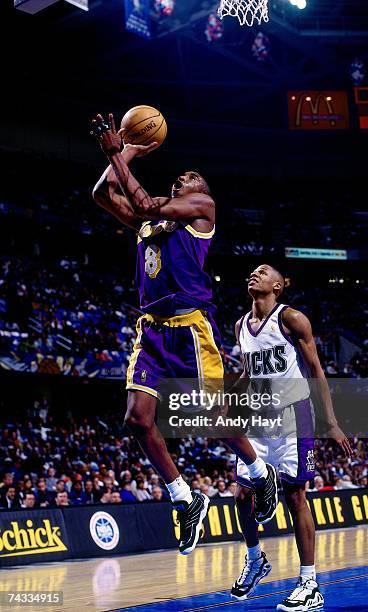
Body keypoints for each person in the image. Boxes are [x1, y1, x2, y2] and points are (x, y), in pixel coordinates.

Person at [91, 113, 277, 555]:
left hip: (190, 328)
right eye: (181, 176)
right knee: (136, 420)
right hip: (151, 330)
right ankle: (184, 497)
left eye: (193, 177)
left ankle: (258, 469)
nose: (185, 177)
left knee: (209, 418)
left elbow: (147, 204)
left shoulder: (203, 211)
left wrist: (120, 153)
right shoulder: (149, 219)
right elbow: (103, 194)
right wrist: (131, 148)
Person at [230, 264, 352, 610]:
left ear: (278, 286)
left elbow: (315, 370)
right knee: (241, 495)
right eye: (252, 271)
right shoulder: (240, 325)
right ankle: (255, 560)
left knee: (295, 496)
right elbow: (248, 373)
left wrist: (330, 422)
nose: (254, 274)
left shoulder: (292, 319)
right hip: (258, 417)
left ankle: (309, 583)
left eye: (263, 272)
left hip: (293, 416)